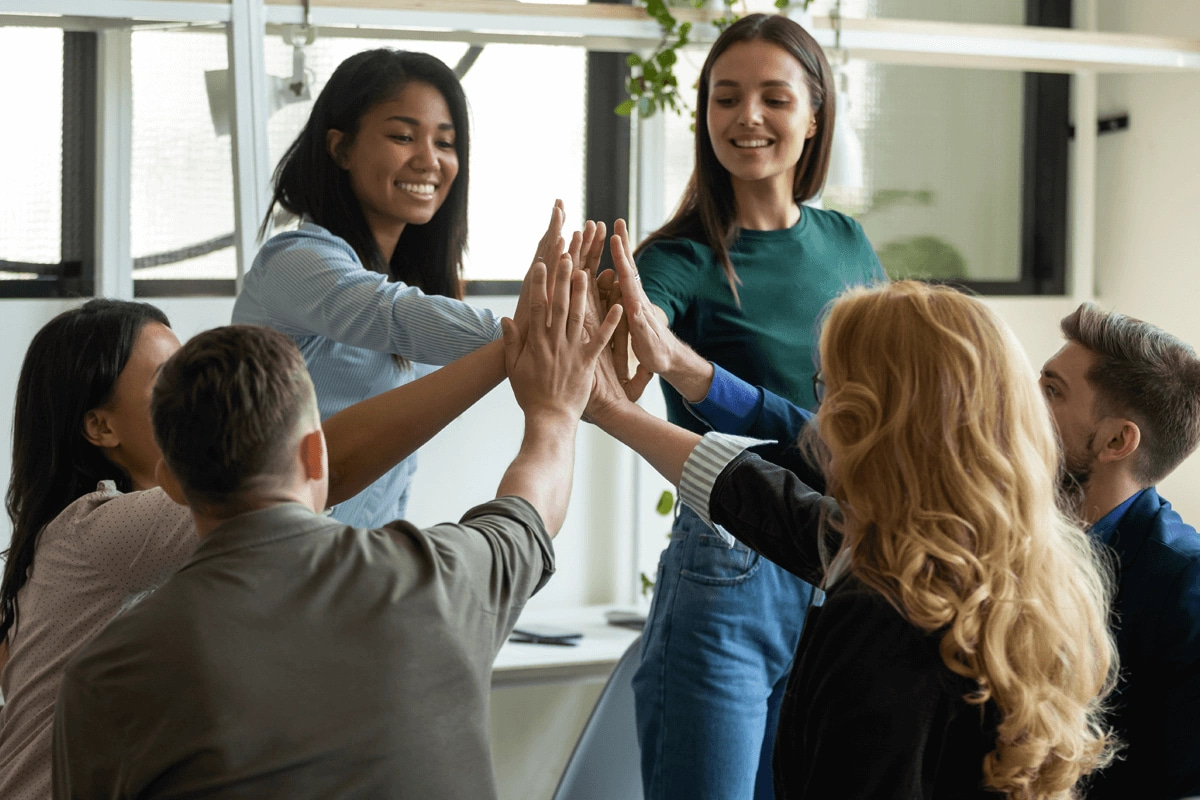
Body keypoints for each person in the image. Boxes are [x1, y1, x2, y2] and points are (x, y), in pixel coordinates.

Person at [0, 209, 566, 800]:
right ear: (99, 427)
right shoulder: (98, 532)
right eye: (164, 378)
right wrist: (510, 350)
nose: (186, 391)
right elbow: (315, 469)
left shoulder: (84, 554)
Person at [586, 275, 1118, 799]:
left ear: (871, 420)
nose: (821, 416)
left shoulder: (881, 612)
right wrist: (616, 412)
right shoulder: (1002, 561)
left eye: (828, 388)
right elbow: (771, 504)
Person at [615, 14, 882, 796]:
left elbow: (874, 410)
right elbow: (642, 325)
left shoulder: (846, 243)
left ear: (815, 115)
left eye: (773, 97)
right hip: (732, 558)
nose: (747, 118)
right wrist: (634, 329)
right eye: (725, 98)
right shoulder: (678, 259)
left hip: (844, 562)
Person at [234, 49, 602, 529]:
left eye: (446, 143)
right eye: (403, 136)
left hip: (357, 563)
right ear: (341, 148)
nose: (429, 160)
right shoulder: (295, 261)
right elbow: (392, 316)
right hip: (275, 561)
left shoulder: (405, 278)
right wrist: (548, 328)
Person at [1039, 304, 1200, 800]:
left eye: (1051, 391)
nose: (1022, 407)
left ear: (1115, 440)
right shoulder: (1014, 529)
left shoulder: (1185, 587)